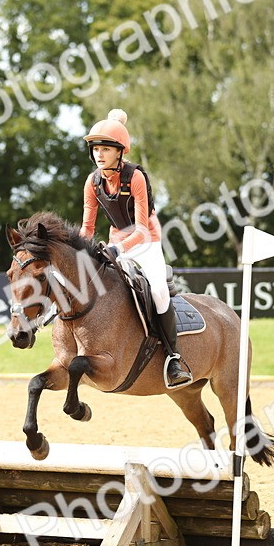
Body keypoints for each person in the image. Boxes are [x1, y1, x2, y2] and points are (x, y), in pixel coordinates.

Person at [79, 109, 193, 389]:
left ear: (119, 152)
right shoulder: (92, 182)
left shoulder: (136, 178)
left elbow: (141, 229)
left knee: (157, 290)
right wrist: (78, 251)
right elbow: (88, 228)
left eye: (105, 149)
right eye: (96, 149)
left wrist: (118, 250)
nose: (99, 154)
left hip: (146, 241)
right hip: (116, 241)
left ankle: (173, 357)